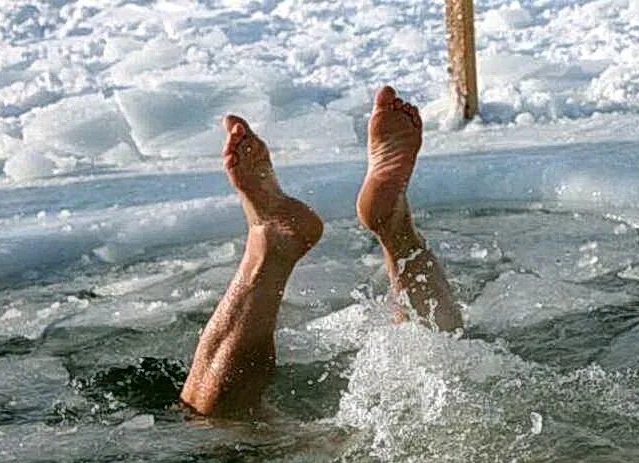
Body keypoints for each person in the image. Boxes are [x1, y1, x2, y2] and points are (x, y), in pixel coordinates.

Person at [180, 86, 462, 418]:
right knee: (443, 371)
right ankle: (395, 226)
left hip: (296, 455)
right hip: (401, 447)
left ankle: (269, 246)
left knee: (212, 418)